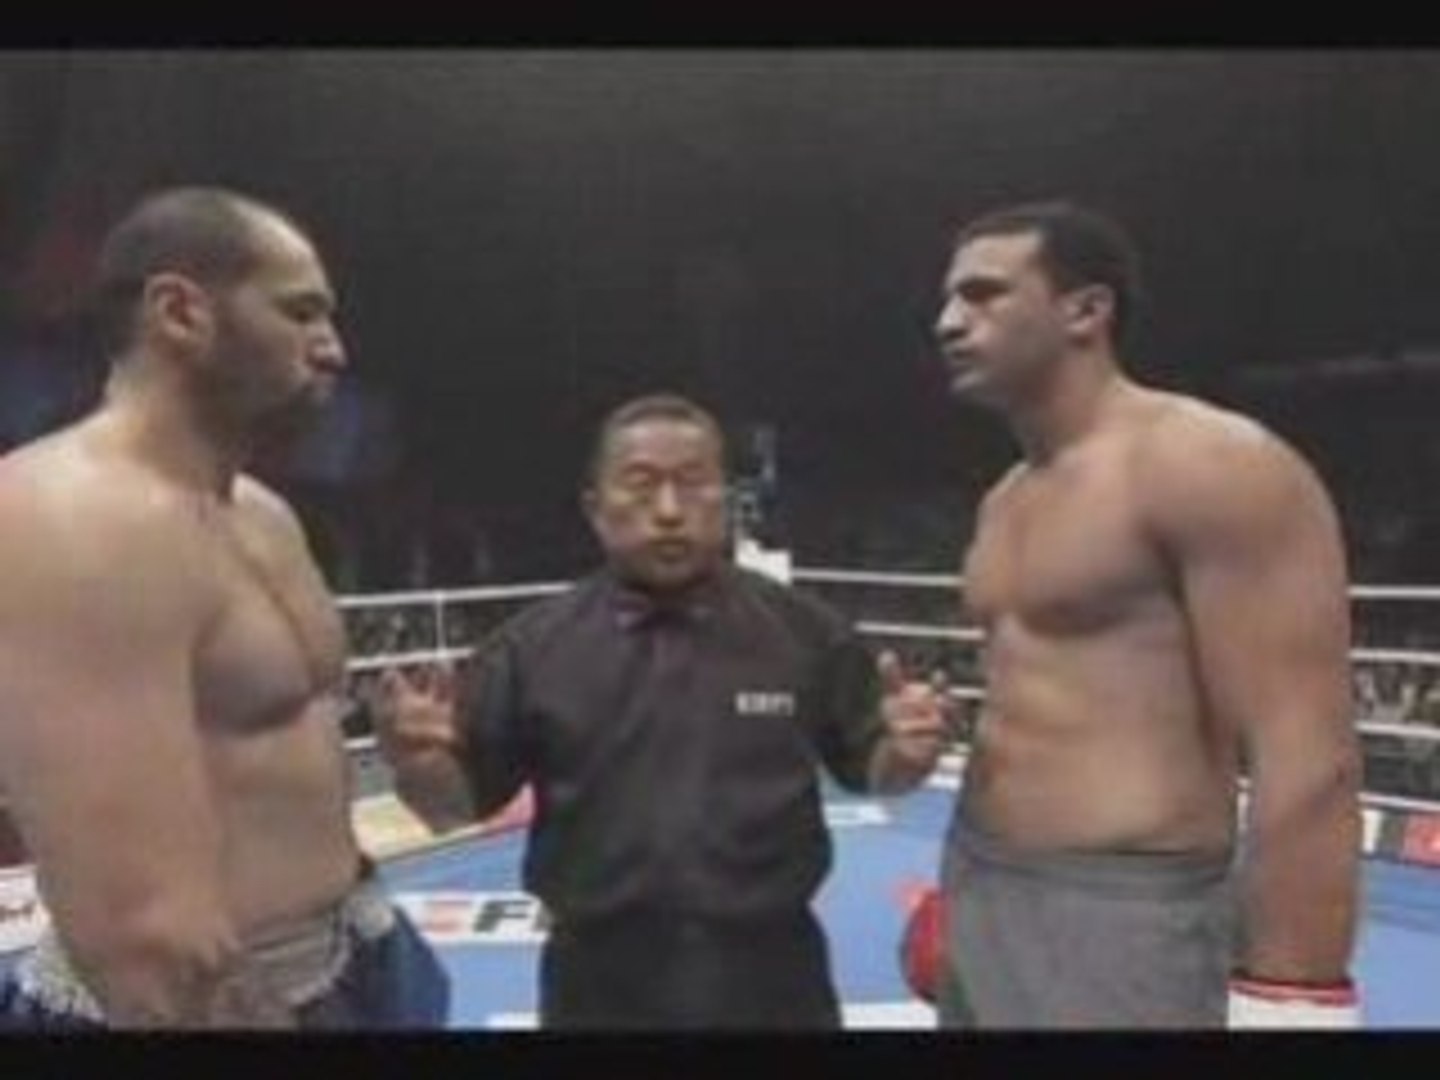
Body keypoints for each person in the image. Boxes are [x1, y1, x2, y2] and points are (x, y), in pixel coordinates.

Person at [0, 186, 448, 1029]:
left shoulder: (264, 515)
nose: (334, 349)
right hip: (221, 1000)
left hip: (357, 949)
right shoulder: (70, 517)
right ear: (180, 312)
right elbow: (144, 940)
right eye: (300, 313)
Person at [373, 392, 948, 1030]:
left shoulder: (806, 633)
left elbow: (875, 772)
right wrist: (419, 766)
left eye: (693, 483)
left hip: (774, 977)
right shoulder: (530, 650)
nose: (670, 510)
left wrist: (907, 755)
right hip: (598, 985)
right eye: (641, 485)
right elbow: (455, 807)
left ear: (726, 500)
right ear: (596, 508)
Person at [930, 199, 1362, 1028]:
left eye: (983, 294)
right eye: (948, 299)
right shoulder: (1006, 498)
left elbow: (1307, 756)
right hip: (981, 876)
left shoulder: (1210, 465)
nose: (948, 322)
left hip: (1126, 913)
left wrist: (1296, 997)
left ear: (1085, 311)